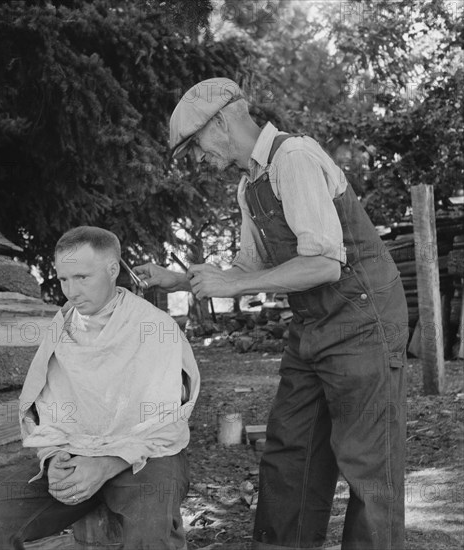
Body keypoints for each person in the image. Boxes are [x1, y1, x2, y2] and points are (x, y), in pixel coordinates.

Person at [135, 78, 408, 550]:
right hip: (313, 328)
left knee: (369, 463)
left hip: (365, 322)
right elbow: (248, 269)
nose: (197, 161)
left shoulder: (295, 158)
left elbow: (324, 263)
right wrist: (178, 279)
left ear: (220, 121)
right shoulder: (249, 187)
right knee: (289, 452)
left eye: (195, 145)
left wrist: (235, 284)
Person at [0, 226, 200, 550]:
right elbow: (46, 410)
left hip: (146, 456)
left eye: (82, 278)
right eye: (63, 279)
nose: (71, 291)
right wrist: (53, 457)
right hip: (75, 455)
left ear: (112, 270)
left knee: (150, 533)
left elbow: (166, 423)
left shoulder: (155, 327)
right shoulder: (62, 328)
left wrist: (108, 463)